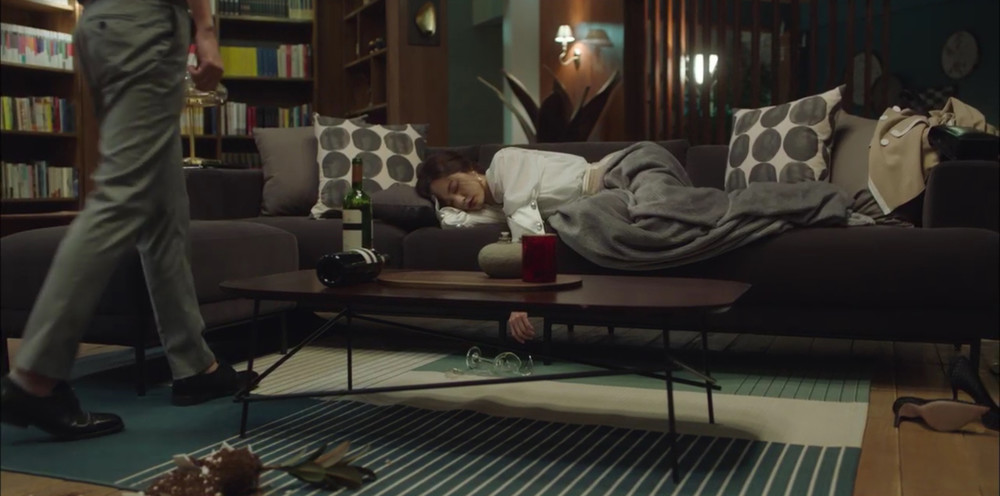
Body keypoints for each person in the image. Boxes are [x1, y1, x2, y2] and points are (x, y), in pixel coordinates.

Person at [1, 0, 254, 441]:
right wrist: (205, 29)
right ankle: (35, 378)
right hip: (143, 25)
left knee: (163, 208)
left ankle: (195, 366)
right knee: (122, 196)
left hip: (104, 25)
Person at [416, 148, 600, 345]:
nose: (459, 200)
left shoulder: (504, 162)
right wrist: (441, 205)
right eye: (450, 202)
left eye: (455, 187)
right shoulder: (495, 207)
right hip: (594, 205)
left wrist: (522, 299)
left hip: (610, 178)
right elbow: (451, 221)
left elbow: (526, 224)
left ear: (470, 170)